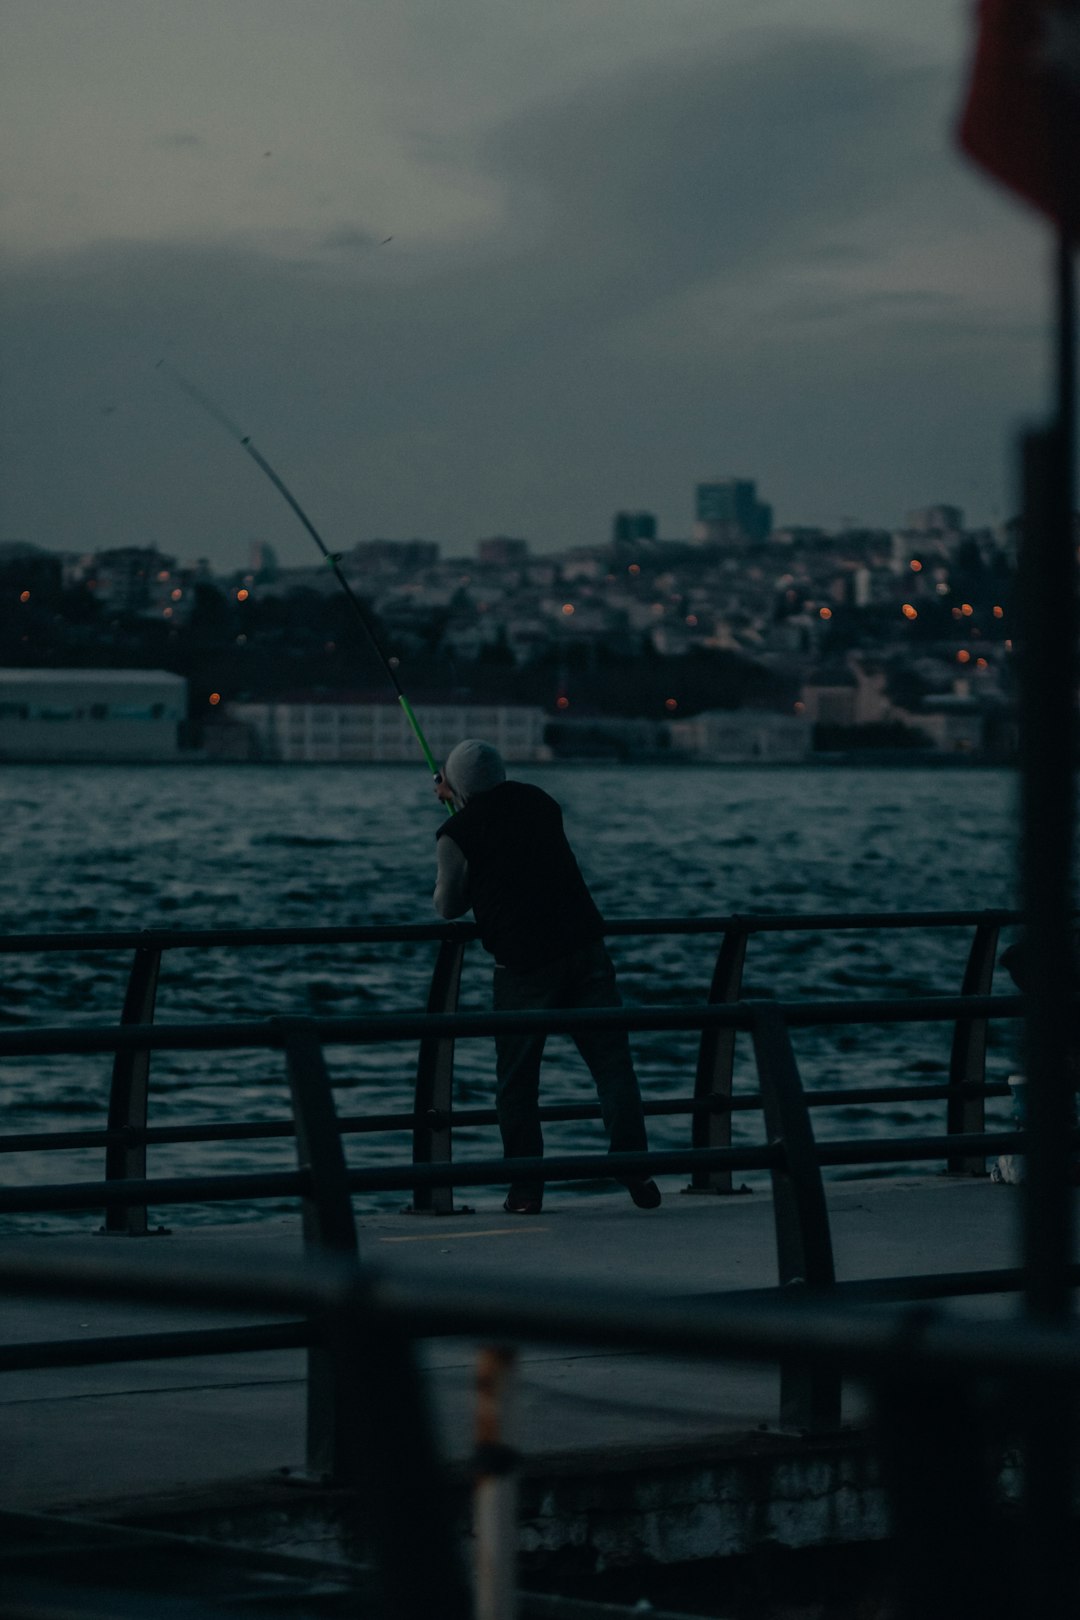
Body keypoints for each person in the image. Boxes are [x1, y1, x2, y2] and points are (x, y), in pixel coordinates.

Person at [432, 738, 661, 1215]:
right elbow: (512, 843)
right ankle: (634, 1164)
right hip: (584, 944)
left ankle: (525, 1188)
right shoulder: (542, 803)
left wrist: (455, 822)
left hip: (523, 962)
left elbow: (449, 906)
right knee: (612, 1065)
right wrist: (462, 808)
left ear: (455, 783)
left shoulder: (457, 832)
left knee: (517, 1081)